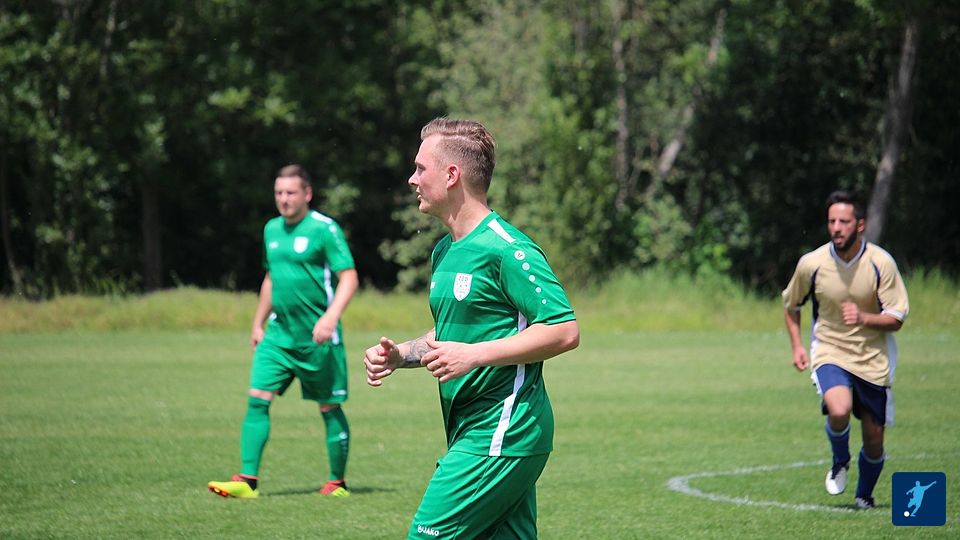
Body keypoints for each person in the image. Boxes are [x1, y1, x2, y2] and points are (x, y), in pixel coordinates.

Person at [364, 118, 580, 538]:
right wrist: (401, 354)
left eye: (420, 168)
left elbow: (563, 330)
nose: (412, 179)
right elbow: (453, 334)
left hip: (502, 430)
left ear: (451, 175)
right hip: (474, 429)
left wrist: (474, 356)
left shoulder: (508, 249)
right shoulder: (445, 251)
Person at [208, 164, 359, 498]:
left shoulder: (324, 229)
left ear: (307, 194)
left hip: (318, 339)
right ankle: (247, 481)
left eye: (290, 192)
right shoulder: (271, 229)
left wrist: (330, 317)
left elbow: (349, 277)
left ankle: (337, 483)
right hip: (279, 336)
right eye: (279, 193)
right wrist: (257, 322)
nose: (284, 199)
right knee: (257, 400)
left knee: (329, 407)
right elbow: (270, 279)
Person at [782, 190, 909, 509]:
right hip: (830, 350)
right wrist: (797, 346)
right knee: (838, 409)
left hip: (873, 359)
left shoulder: (880, 263)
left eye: (844, 222)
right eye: (832, 222)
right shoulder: (812, 264)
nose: (836, 228)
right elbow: (791, 305)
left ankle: (864, 495)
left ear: (860, 225)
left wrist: (864, 317)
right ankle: (840, 459)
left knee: (874, 440)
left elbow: (896, 318)